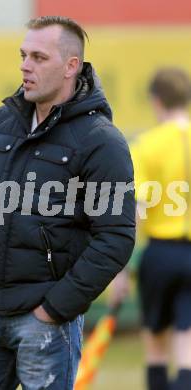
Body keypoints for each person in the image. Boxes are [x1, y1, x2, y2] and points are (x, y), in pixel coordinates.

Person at [0, 16, 136, 390]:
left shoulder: (102, 142)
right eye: (23, 55)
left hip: (45, 320)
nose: (25, 65)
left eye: (39, 57)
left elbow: (115, 237)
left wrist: (54, 309)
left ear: (72, 66)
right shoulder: (3, 120)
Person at [111, 67, 191, 390]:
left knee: (156, 350)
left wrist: (120, 269)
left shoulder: (145, 146)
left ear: (156, 101)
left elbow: (137, 210)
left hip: (159, 254)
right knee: (187, 352)